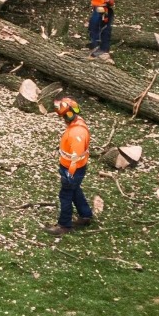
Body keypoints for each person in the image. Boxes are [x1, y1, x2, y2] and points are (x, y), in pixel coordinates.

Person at [46, 97, 94, 236]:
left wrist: (69, 174)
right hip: (75, 167)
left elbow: (76, 157)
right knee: (75, 191)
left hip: (72, 169)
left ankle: (64, 225)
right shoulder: (78, 124)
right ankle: (85, 215)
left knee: (65, 195)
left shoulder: (76, 133)